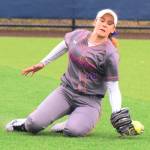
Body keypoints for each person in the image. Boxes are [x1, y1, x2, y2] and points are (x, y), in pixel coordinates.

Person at [6, 9, 129, 137]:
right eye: (101, 20)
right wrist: (43, 63)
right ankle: (22, 123)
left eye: (109, 23)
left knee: (74, 131)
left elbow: (113, 87)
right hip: (65, 92)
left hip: (90, 101)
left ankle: (71, 123)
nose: (104, 24)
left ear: (113, 29)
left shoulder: (110, 54)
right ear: (95, 22)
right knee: (33, 125)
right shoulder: (78, 35)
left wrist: (116, 112)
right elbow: (64, 45)